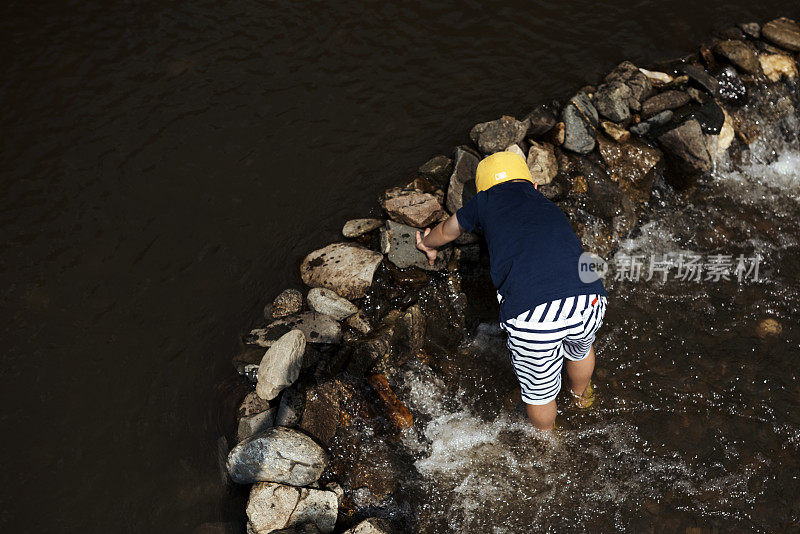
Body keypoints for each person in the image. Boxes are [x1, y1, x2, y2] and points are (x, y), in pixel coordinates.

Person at [415, 151, 607, 431]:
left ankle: (548, 442)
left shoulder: (484, 201)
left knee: (539, 394)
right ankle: (583, 396)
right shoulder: (543, 201)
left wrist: (429, 244)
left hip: (534, 315)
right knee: (581, 350)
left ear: (482, 191)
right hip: (588, 297)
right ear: (534, 186)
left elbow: (447, 230)